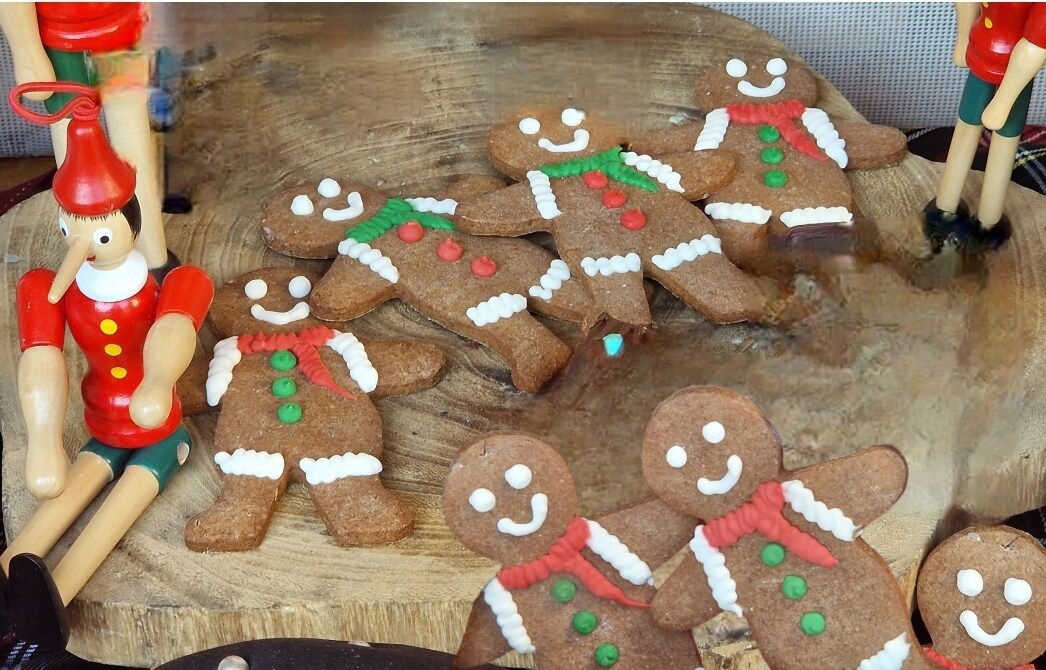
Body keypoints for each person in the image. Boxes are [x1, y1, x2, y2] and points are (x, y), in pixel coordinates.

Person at [1, 83, 213, 648]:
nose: (79, 246)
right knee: (69, 489)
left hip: (160, 426)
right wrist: (45, 440)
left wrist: (157, 384)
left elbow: (172, 331)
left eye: (95, 230)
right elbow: (41, 360)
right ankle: (7, 575)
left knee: (117, 505)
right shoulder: (48, 287)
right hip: (101, 421)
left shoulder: (170, 280)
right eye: (68, 227)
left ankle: (53, 605)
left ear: (131, 223)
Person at [0, 2, 173, 273]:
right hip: (59, 38)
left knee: (130, 127)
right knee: (69, 138)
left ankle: (152, 254)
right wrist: (26, 50)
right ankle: (93, 256)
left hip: (122, 25)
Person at [924, 2, 1046, 253]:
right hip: (984, 55)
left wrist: (1004, 101)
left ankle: (986, 220)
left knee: (1003, 139)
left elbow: (1035, 47)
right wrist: (962, 38)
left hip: (1016, 76)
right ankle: (948, 208)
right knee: (968, 128)